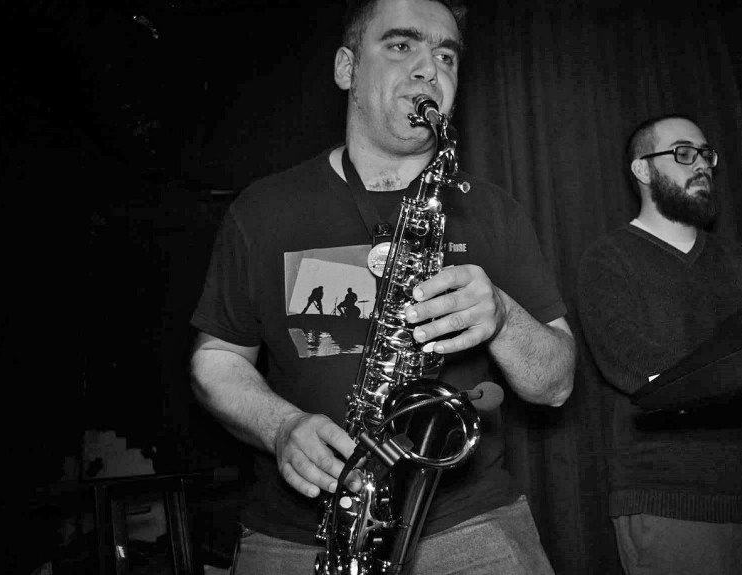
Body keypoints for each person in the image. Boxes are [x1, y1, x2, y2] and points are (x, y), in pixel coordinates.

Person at [188, 1, 575, 573]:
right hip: (293, 537)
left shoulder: (493, 211)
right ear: (347, 68)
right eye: (401, 45)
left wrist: (502, 314)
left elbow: (556, 385)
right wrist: (281, 427)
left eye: (446, 56)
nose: (429, 69)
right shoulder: (264, 209)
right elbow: (216, 360)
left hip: (470, 526)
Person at [576, 114, 742, 575]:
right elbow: (633, 364)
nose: (701, 164)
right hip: (669, 499)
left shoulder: (741, 261)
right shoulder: (608, 258)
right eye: (683, 153)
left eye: (705, 154)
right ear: (643, 169)